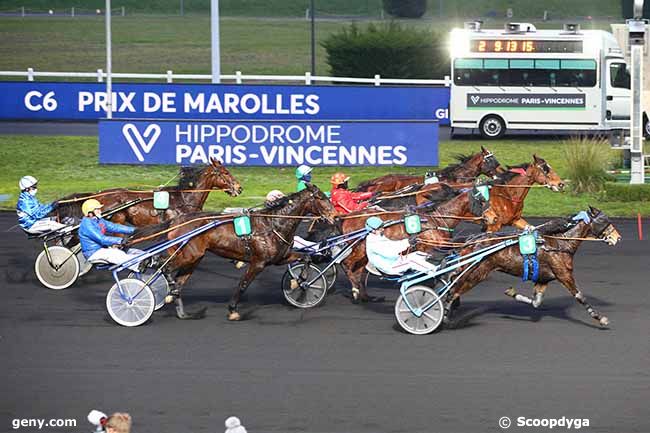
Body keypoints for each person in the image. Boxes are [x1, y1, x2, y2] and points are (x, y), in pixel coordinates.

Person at [78, 199, 141, 272]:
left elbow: (114, 227)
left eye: (99, 208)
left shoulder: (98, 220)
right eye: (97, 209)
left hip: (102, 249)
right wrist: (120, 240)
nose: (100, 211)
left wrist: (134, 230)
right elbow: (102, 239)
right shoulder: (87, 225)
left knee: (132, 251)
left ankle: (148, 259)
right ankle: (137, 265)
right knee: (116, 253)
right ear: (90, 212)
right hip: (93, 253)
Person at [364, 216, 438, 276]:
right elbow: (390, 253)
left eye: (382, 227)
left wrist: (408, 241)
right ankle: (436, 271)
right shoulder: (373, 242)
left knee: (418, 254)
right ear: (373, 230)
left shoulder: (379, 236)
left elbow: (393, 244)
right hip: (389, 267)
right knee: (412, 261)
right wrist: (407, 244)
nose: (383, 229)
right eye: (380, 228)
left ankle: (434, 267)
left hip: (394, 261)